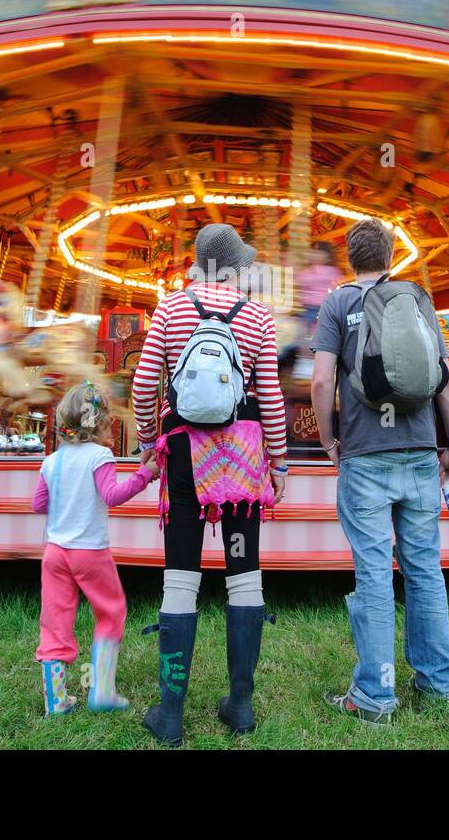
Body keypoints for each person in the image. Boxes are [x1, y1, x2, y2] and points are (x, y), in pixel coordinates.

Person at [131, 223, 287, 746]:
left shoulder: (171, 308)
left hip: (183, 454)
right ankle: (239, 706)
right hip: (241, 460)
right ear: (236, 266)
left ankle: (170, 712)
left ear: (199, 260)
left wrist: (152, 439)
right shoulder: (258, 316)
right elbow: (270, 397)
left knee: (181, 574)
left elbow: (143, 381)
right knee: (245, 573)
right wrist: (280, 464)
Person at [310, 217, 449, 725]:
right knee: (425, 570)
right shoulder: (417, 299)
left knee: (374, 574)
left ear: (349, 257)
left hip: (364, 455)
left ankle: (375, 694)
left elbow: (320, 381)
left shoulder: (337, 302)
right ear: (393, 253)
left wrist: (331, 442)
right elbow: (445, 381)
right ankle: (440, 684)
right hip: (419, 451)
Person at [31, 381, 157, 716]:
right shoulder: (99, 457)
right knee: (110, 611)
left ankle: (56, 702)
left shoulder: (52, 462)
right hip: (90, 552)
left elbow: (38, 504)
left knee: (55, 620)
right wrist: (145, 474)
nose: (111, 431)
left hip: (55, 553)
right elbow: (112, 495)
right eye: (109, 424)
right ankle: (101, 690)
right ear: (98, 424)